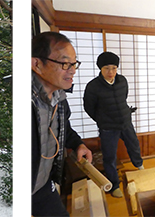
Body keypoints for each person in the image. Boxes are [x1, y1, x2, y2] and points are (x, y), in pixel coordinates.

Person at [32, 31, 93, 217]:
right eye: (65, 63)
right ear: (37, 64)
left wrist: (78, 144)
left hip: (42, 184)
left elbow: (64, 127)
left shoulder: (60, 98)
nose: (72, 70)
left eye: (74, 64)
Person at [83, 51, 144, 198]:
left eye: (114, 68)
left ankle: (140, 166)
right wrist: (101, 120)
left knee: (134, 145)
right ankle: (114, 185)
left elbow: (124, 98)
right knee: (109, 156)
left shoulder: (122, 81)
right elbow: (89, 107)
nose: (111, 72)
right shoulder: (93, 86)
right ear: (100, 69)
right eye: (107, 68)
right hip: (108, 127)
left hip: (125, 121)